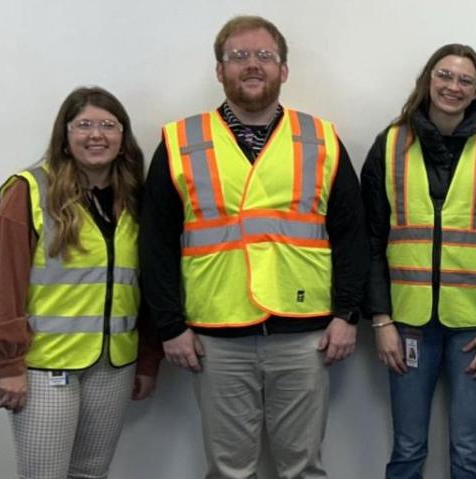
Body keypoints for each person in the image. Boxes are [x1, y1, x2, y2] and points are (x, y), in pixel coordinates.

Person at [140, 15, 367, 478]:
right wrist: (169, 326)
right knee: (228, 470)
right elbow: (156, 244)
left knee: (303, 468)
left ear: (284, 70)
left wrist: (347, 314)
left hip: (304, 333)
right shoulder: (181, 141)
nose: (252, 65)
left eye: (264, 56)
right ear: (219, 70)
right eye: (238, 56)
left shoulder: (321, 138)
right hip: (215, 334)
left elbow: (352, 233)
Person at [360, 43, 476, 479]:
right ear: (428, 80)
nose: (452, 86)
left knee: (469, 451)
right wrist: (380, 321)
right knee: (407, 449)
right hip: (406, 325)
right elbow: (368, 241)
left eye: (464, 80)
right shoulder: (390, 144)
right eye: (444, 75)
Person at [0, 86, 161, 478]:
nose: (96, 135)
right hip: (45, 366)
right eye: (84, 125)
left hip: (114, 364)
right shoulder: (31, 191)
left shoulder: (137, 200)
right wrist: (7, 363)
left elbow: (146, 285)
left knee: (91, 474)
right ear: (65, 135)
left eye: (108, 125)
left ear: (123, 138)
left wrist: (148, 358)